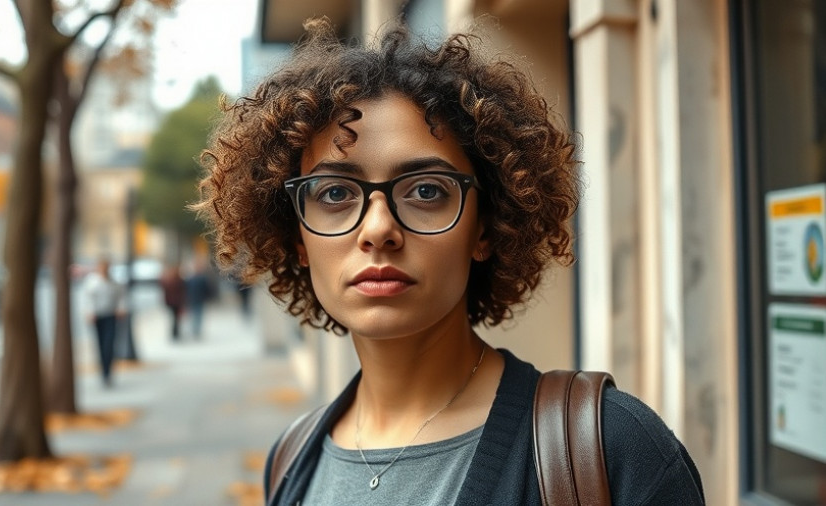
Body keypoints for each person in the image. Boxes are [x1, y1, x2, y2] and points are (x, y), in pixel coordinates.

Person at [195, 18, 705, 505]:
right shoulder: (291, 460)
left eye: (425, 190)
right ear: (298, 239)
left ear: (484, 227)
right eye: (334, 194)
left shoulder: (614, 450)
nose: (378, 230)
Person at [82, 257, 124, 388]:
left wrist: (120, 309)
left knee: (109, 344)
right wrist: (89, 312)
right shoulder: (92, 282)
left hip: (110, 315)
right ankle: (103, 371)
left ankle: (108, 372)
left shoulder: (114, 283)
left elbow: (121, 298)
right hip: (97, 316)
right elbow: (87, 299)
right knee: (100, 345)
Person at [185, 257, 214, 338]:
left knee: (198, 315)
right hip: (193, 299)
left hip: (199, 299)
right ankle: (195, 330)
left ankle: (196, 330)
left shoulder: (201, 278)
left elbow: (207, 289)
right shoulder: (191, 278)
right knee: (195, 315)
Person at [160, 264, 186, 340]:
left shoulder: (168, 281)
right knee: (176, 318)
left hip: (171, 302)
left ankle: (174, 333)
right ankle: (175, 333)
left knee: (173, 318)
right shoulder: (179, 281)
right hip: (176, 302)